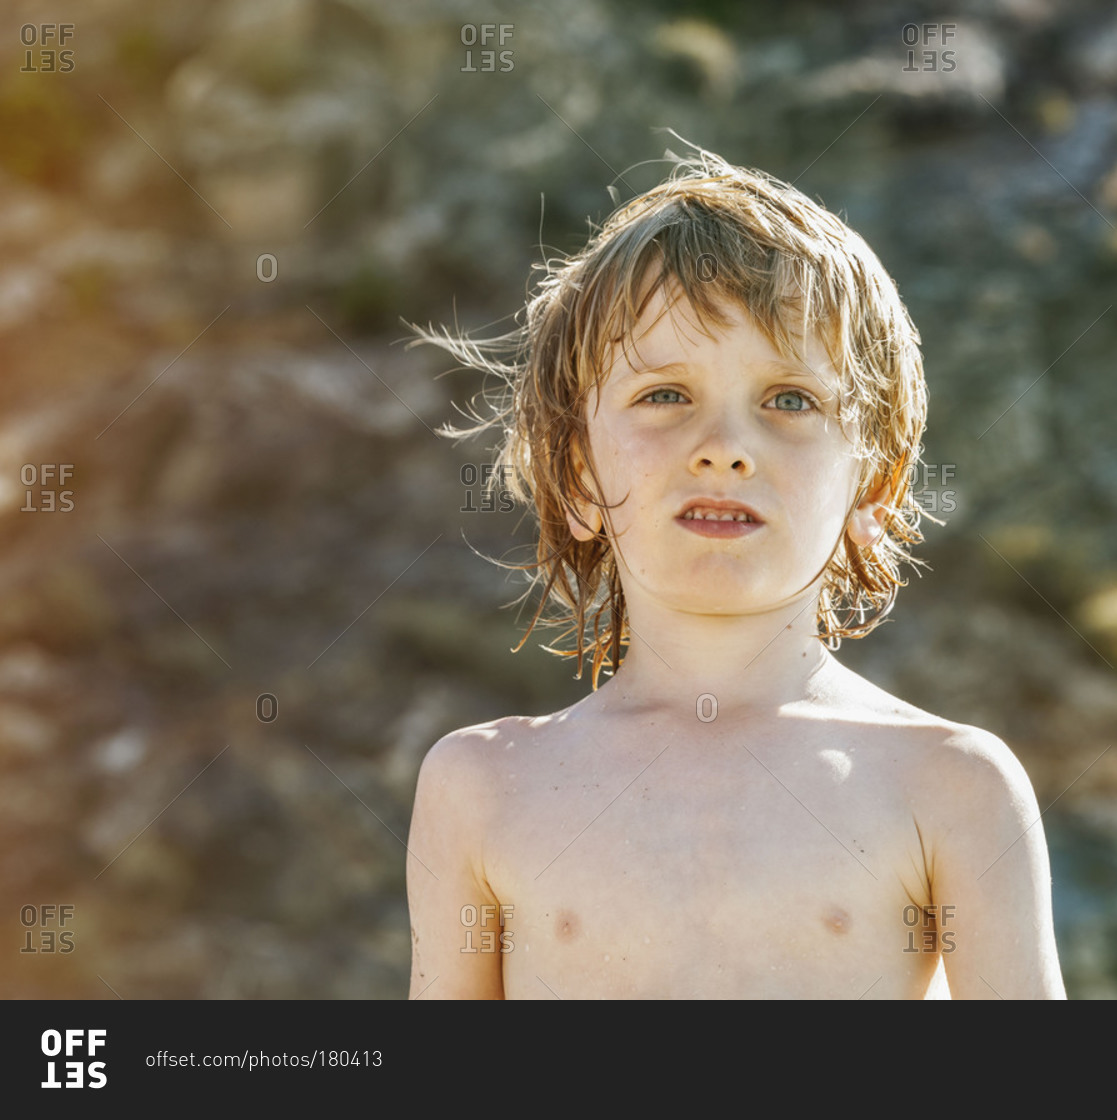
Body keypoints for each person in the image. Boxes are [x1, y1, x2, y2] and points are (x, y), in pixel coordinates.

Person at [403, 145, 1065, 998]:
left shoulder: (951, 786)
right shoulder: (484, 788)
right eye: (665, 396)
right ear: (574, 477)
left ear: (876, 483)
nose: (723, 450)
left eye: (789, 399)